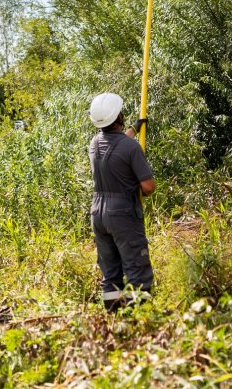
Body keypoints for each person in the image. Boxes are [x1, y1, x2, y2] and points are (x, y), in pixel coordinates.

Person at [87, 92, 156, 311]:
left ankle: (113, 322)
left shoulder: (94, 144)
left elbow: (118, 145)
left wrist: (134, 129)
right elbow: (148, 187)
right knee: (137, 270)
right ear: (117, 117)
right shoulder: (131, 148)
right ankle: (140, 322)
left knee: (111, 273)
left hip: (98, 213)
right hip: (123, 214)